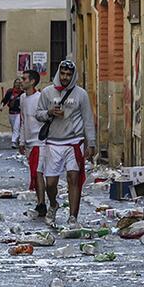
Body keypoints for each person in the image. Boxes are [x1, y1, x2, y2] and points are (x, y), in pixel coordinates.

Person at [31, 60, 97, 224]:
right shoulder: (47, 93)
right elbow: (38, 114)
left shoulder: (81, 94)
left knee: (73, 178)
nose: (65, 77)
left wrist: (91, 142)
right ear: (58, 74)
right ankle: (53, 204)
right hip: (53, 143)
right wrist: (49, 112)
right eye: (63, 74)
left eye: (68, 74)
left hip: (74, 142)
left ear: (73, 75)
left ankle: (73, 217)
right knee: (50, 182)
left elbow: (88, 119)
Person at [14, 70, 46, 213]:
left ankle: (42, 203)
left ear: (32, 81)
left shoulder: (40, 98)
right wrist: (21, 141)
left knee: (37, 172)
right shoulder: (22, 98)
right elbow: (23, 120)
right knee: (33, 172)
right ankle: (40, 201)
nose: (21, 81)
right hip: (28, 142)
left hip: (39, 141)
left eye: (24, 78)